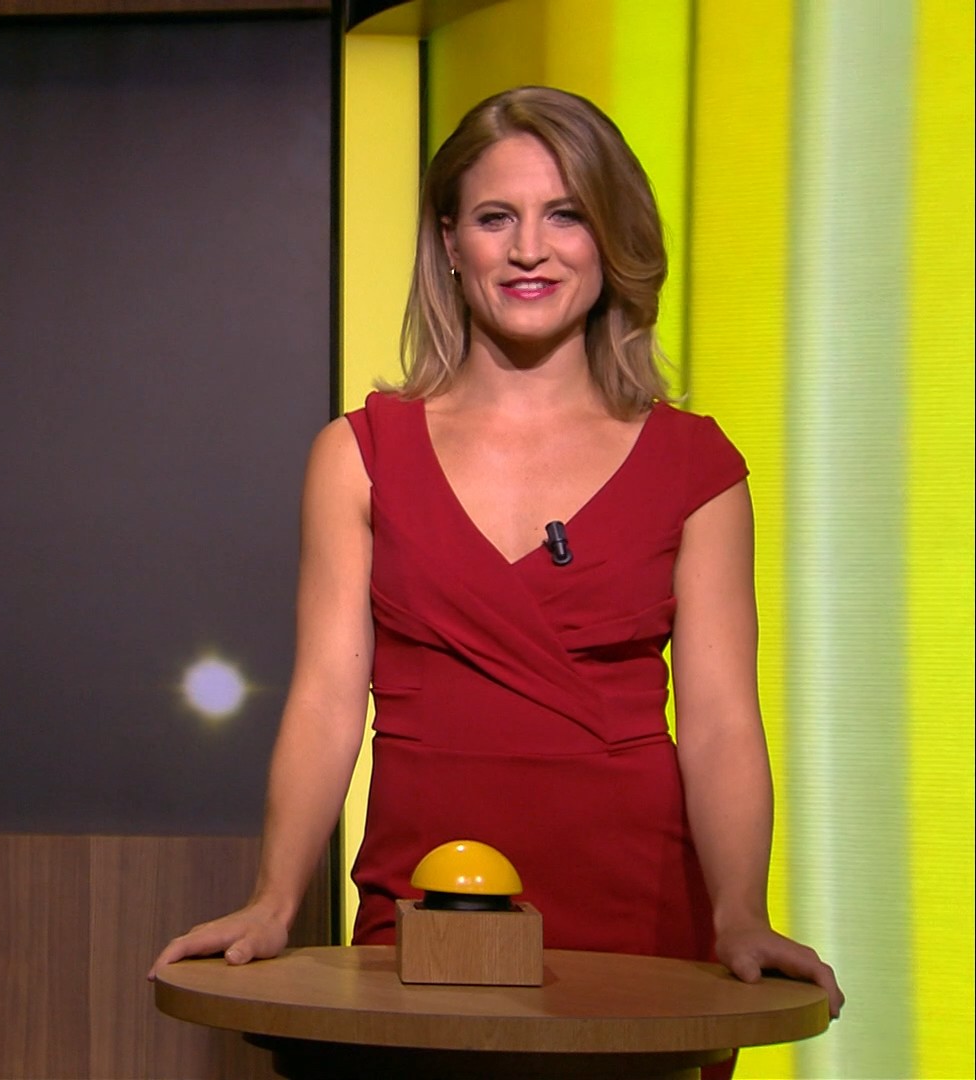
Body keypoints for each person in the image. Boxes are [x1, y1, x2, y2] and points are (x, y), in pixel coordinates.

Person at [148, 86, 843, 1032]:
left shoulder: (697, 466)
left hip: (637, 914)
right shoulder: (358, 456)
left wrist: (741, 915)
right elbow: (323, 700)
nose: (529, 250)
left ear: (611, 238)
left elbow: (721, 721)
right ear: (449, 240)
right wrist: (274, 900)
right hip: (425, 905)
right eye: (494, 218)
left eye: (567, 215)